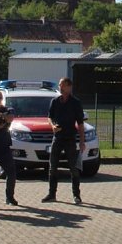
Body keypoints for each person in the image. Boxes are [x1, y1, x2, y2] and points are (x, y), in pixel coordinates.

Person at [42, 77, 85, 205]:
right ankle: (52, 194)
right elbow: (50, 117)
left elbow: (80, 123)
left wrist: (82, 141)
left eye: (62, 85)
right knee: (52, 166)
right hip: (58, 138)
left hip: (70, 138)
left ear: (69, 87)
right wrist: (53, 126)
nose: (60, 87)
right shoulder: (55, 101)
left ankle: (76, 195)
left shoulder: (75, 103)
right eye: (60, 85)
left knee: (73, 167)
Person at [0, 90, 18, 205]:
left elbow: (10, 118)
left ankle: (9, 197)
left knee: (11, 172)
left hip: (3, 145)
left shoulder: (7, 109)